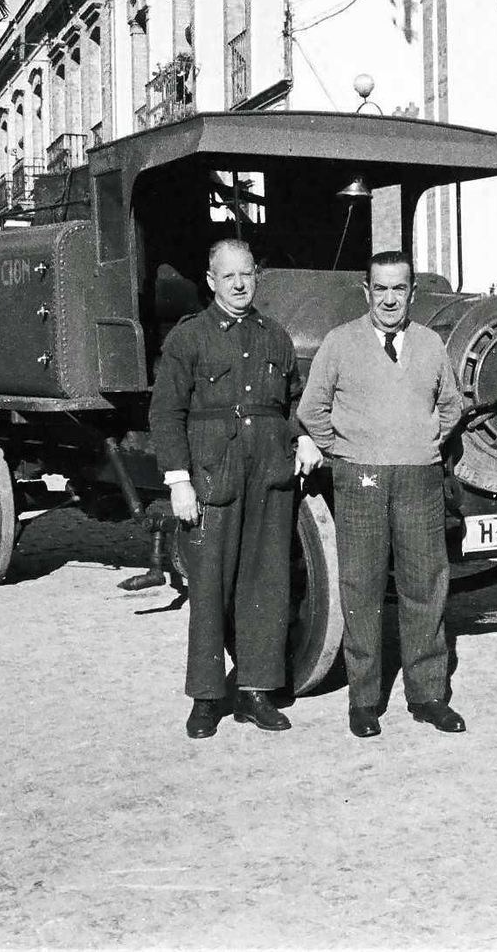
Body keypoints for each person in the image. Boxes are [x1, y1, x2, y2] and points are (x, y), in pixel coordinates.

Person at [150, 239, 323, 739]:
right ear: (211, 281)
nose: (240, 284)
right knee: (209, 588)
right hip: (213, 479)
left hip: (270, 477)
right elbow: (166, 413)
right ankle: (206, 698)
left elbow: (292, 401)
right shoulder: (189, 337)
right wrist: (178, 480)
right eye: (229, 276)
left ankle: (255, 693)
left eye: (246, 274)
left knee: (266, 584)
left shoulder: (276, 336)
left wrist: (304, 436)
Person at [297, 250, 466, 738]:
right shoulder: (340, 342)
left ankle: (428, 696)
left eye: (399, 289)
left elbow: (451, 407)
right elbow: (312, 409)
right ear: (366, 291)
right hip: (361, 479)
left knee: (425, 585)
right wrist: (345, 450)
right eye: (381, 288)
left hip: (419, 477)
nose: (390, 299)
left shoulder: (430, 343)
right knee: (362, 586)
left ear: (412, 292)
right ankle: (364, 701)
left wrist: (423, 443)